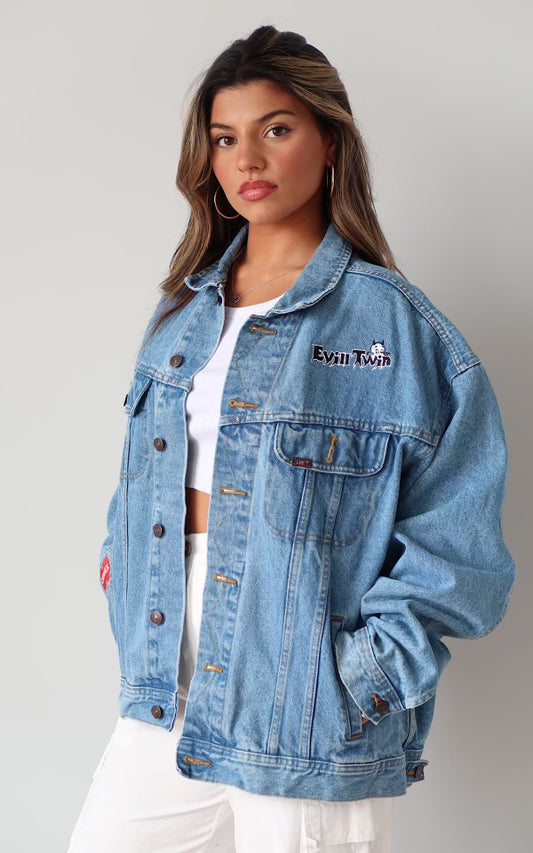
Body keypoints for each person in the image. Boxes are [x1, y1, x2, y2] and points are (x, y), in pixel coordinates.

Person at [67, 24, 515, 853]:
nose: (248, 158)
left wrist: (360, 677)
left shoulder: (397, 328)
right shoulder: (180, 313)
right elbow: (141, 483)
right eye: (224, 138)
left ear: (329, 141)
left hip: (308, 705)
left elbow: (460, 550)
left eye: (275, 129)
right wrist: (116, 569)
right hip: (166, 691)